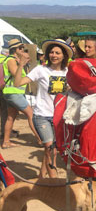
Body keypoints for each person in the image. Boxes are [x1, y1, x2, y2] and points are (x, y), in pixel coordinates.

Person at [14, 39, 72, 178]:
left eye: (57, 52)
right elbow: (18, 83)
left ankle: (41, 175)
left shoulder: (68, 72)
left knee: (51, 149)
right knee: (50, 148)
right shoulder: (41, 70)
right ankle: (54, 182)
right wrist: (21, 65)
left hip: (60, 117)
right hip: (42, 116)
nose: (54, 55)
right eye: (51, 52)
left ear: (64, 55)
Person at [2, 39, 41, 149]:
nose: (23, 50)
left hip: (12, 93)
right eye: (21, 48)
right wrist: (21, 64)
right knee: (31, 114)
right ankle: (40, 140)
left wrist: (22, 64)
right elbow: (16, 75)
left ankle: (6, 142)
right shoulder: (11, 60)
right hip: (14, 93)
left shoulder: (14, 60)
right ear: (15, 50)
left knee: (11, 117)